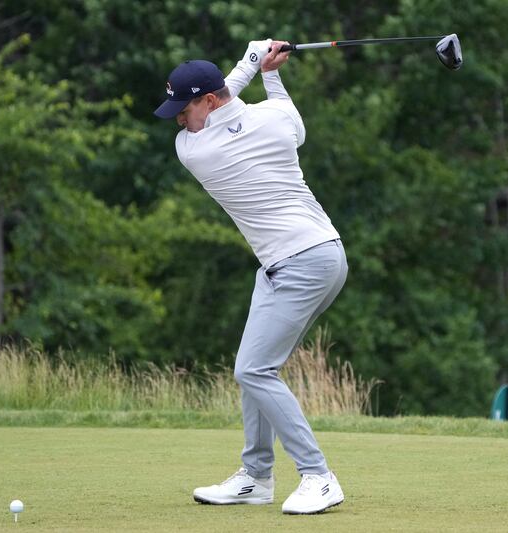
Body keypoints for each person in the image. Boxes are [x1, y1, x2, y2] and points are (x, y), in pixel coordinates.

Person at [154, 39, 347, 515]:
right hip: (311, 256)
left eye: (185, 108)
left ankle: (319, 477)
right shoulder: (275, 118)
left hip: (302, 259)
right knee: (254, 368)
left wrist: (252, 61)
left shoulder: (195, 150)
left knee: (253, 370)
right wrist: (268, 72)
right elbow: (280, 118)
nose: (179, 120)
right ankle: (256, 477)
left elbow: (230, 102)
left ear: (211, 100)